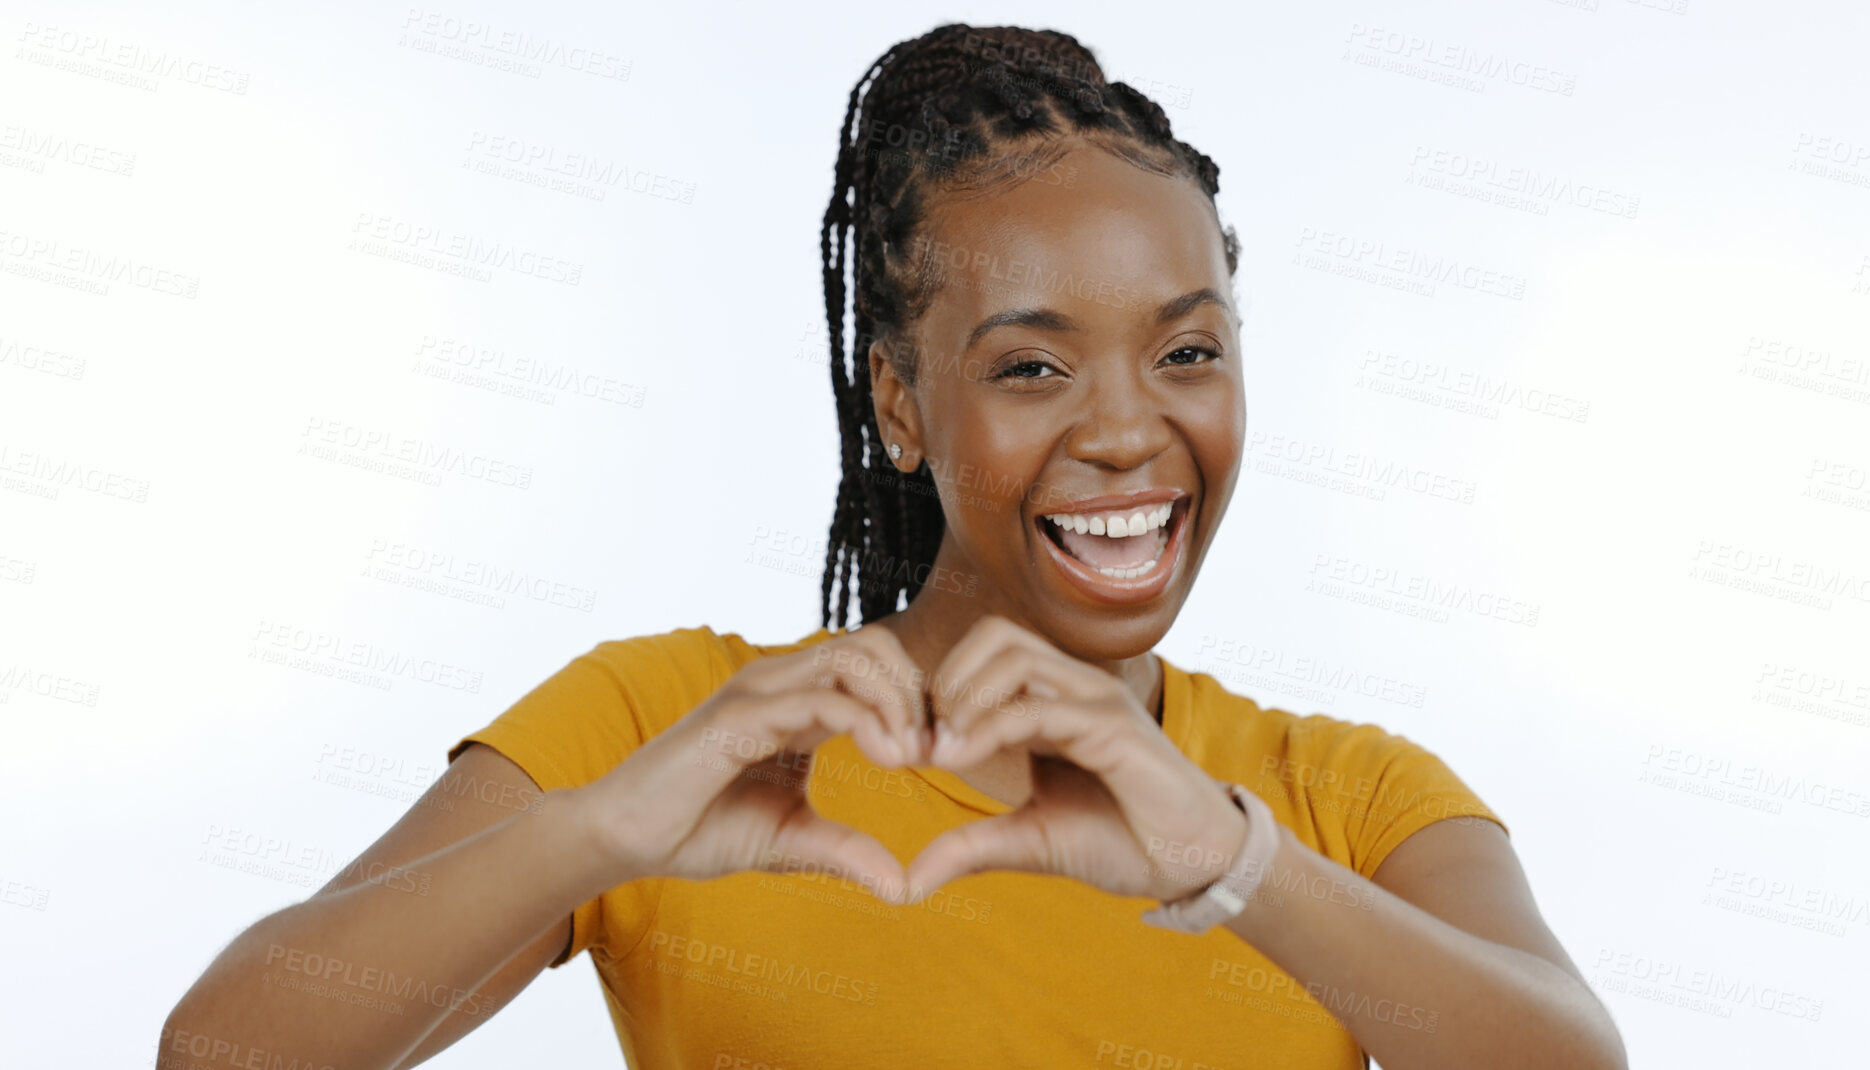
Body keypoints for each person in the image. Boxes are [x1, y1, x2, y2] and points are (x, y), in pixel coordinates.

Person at [162, 23, 1628, 1070]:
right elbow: (223, 1052)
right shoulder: (670, 727)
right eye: (1032, 368)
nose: (1128, 431)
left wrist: (1229, 861)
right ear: (899, 402)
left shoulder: (1343, 800)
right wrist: (596, 831)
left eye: (1185, 351)